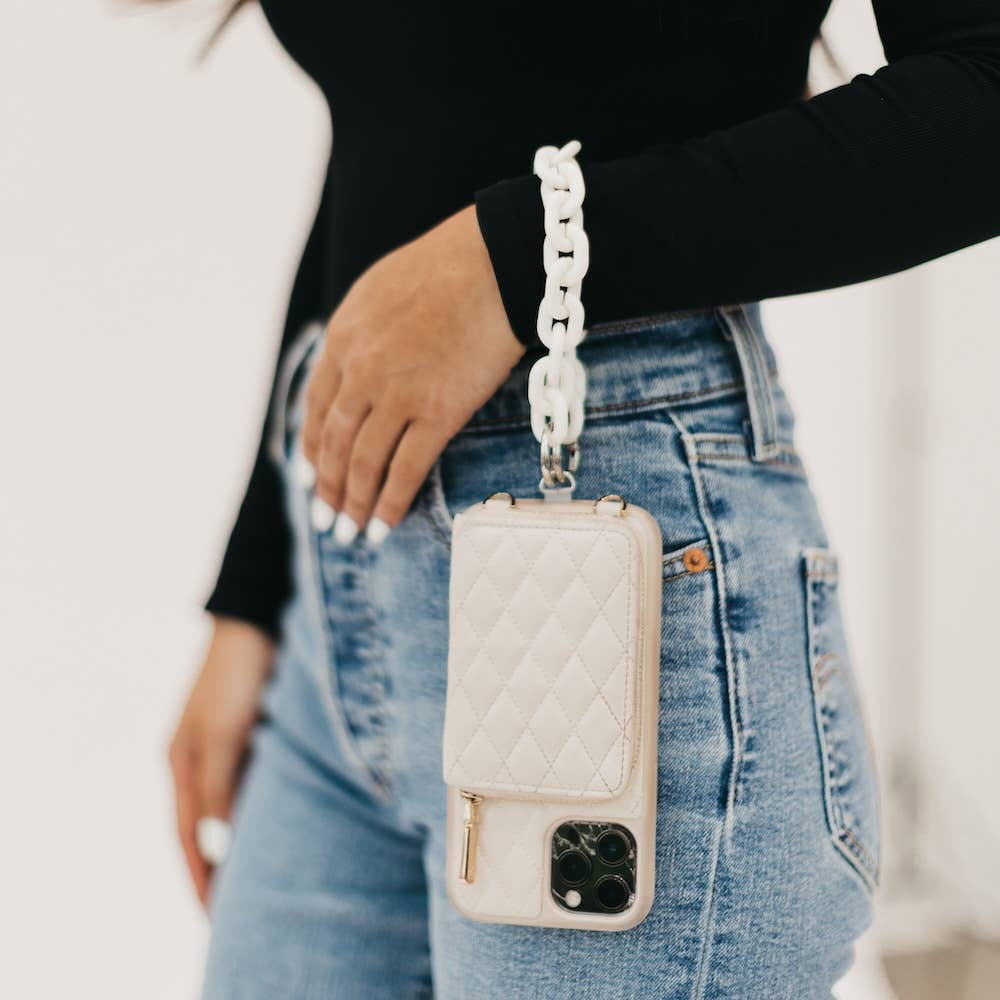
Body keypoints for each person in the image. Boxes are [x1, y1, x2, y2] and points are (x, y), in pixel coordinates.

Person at [168, 2, 1000, 996]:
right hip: (337, 618)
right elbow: (396, 140)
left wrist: (529, 257)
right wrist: (255, 598)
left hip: (617, 587)